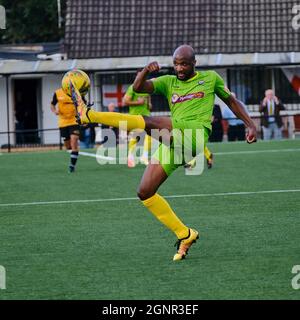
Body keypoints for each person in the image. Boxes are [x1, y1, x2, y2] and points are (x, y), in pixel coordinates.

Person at [70, 45, 257, 261]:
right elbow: (138, 87)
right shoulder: (169, 82)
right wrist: (145, 71)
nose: (179, 68)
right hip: (174, 143)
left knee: (149, 123)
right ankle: (185, 234)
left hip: (194, 135)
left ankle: (89, 115)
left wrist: (250, 124)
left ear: (194, 63)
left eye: (184, 63)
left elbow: (231, 101)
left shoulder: (210, 78)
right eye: (176, 63)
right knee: (145, 192)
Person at [123, 72, 152, 167]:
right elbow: (125, 101)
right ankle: (130, 156)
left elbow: (149, 104)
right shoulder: (132, 88)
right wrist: (138, 102)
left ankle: (144, 156)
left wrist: (149, 105)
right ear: (137, 77)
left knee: (150, 135)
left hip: (146, 115)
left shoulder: (147, 88)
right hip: (135, 116)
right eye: (139, 75)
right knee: (135, 136)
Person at [50, 87, 82, 172]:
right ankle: (73, 153)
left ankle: (72, 166)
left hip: (74, 121)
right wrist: (54, 111)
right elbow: (52, 104)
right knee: (68, 145)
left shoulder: (76, 92)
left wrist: (83, 116)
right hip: (63, 122)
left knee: (74, 141)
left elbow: (83, 105)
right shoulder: (57, 92)